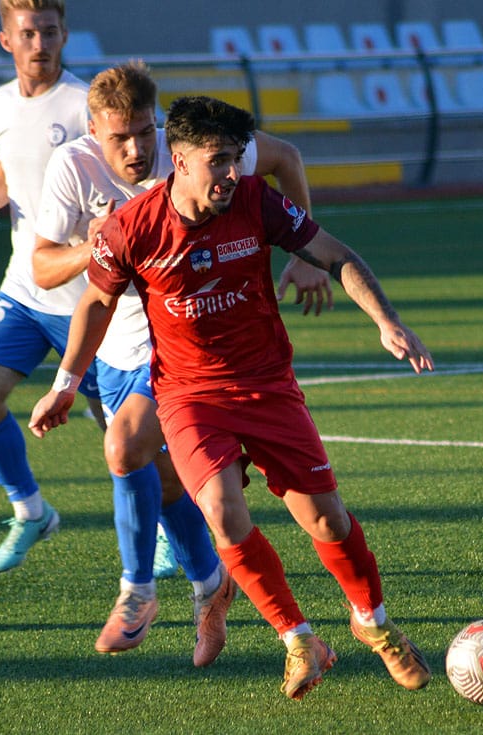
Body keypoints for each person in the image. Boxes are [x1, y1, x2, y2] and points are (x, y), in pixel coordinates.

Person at [28, 95, 433, 700]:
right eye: (217, 161)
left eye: (236, 159)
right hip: (188, 395)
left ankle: (373, 624)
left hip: (268, 385)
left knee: (326, 519)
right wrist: (63, 385)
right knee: (220, 509)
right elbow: (96, 302)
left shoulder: (255, 200)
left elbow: (336, 255)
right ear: (179, 160)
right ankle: (298, 639)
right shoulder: (132, 227)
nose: (230, 173)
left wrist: (386, 320)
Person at [31, 62, 331, 661]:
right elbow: (42, 267)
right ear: (94, 131)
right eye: (121, 137)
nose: (137, 148)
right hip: (116, 346)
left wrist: (303, 255)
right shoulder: (73, 167)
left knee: (125, 447)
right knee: (165, 479)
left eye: (146, 132)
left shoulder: (199, 154)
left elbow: (286, 157)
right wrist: (96, 245)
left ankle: (137, 590)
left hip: (185, 350)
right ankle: (210, 584)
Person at [0, 0, 126, 574]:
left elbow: (125, 169)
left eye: (49, 32)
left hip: (91, 294)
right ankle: (30, 512)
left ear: (65, 35)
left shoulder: (84, 104)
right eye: (28, 33)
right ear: (6, 40)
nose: (40, 43)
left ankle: (162, 526)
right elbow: (8, 167)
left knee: (120, 433)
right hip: (25, 288)